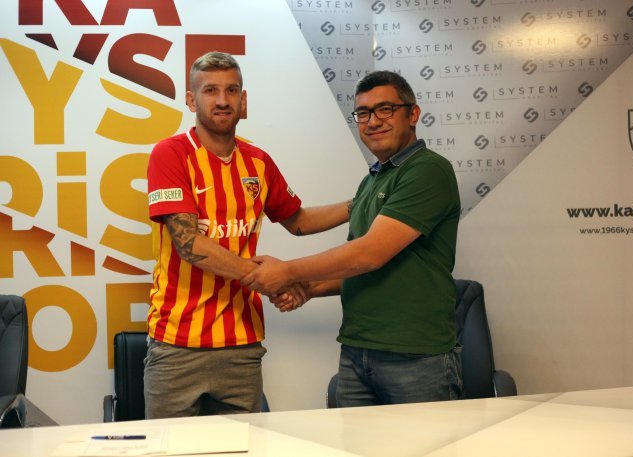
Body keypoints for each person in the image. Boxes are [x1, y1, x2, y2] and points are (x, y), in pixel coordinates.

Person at [145, 51, 350, 418]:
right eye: (210, 90)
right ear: (191, 100)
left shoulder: (258, 161)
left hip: (242, 343)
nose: (222, 100)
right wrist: (270, 280)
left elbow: (298, 221)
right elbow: (190, 244)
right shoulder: (170, 154)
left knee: (244, 444)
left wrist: (358, 204)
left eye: (231, 90)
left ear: (243, 100)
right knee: (169, 445)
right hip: (177, 344)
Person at [242, 70, 462, 406]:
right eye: (363, 113)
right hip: (357, 351)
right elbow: (361, 268)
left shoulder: (427, 170)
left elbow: (368, 255)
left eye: (385, 109)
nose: (373, 121)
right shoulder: (372, 181)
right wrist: (309, 289)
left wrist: (286, 272)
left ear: (413, 114)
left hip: (415, 356)